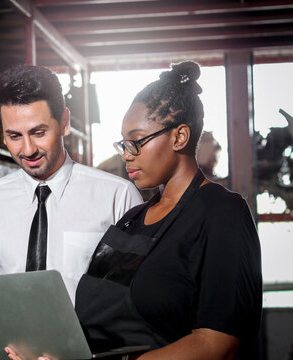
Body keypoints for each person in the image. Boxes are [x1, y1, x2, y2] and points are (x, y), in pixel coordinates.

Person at [73, 61, 262, 360]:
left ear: (180, 137)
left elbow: (217, 343)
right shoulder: (130, 220)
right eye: (124, 143)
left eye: (136, 141)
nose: (126, 154)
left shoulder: (223, 214)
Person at [0, 64, 143, 360]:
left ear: (64, 122)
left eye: (38, 132)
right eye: (14, 136)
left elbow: (140, 301)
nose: (28, 149)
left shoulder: (117, 197)